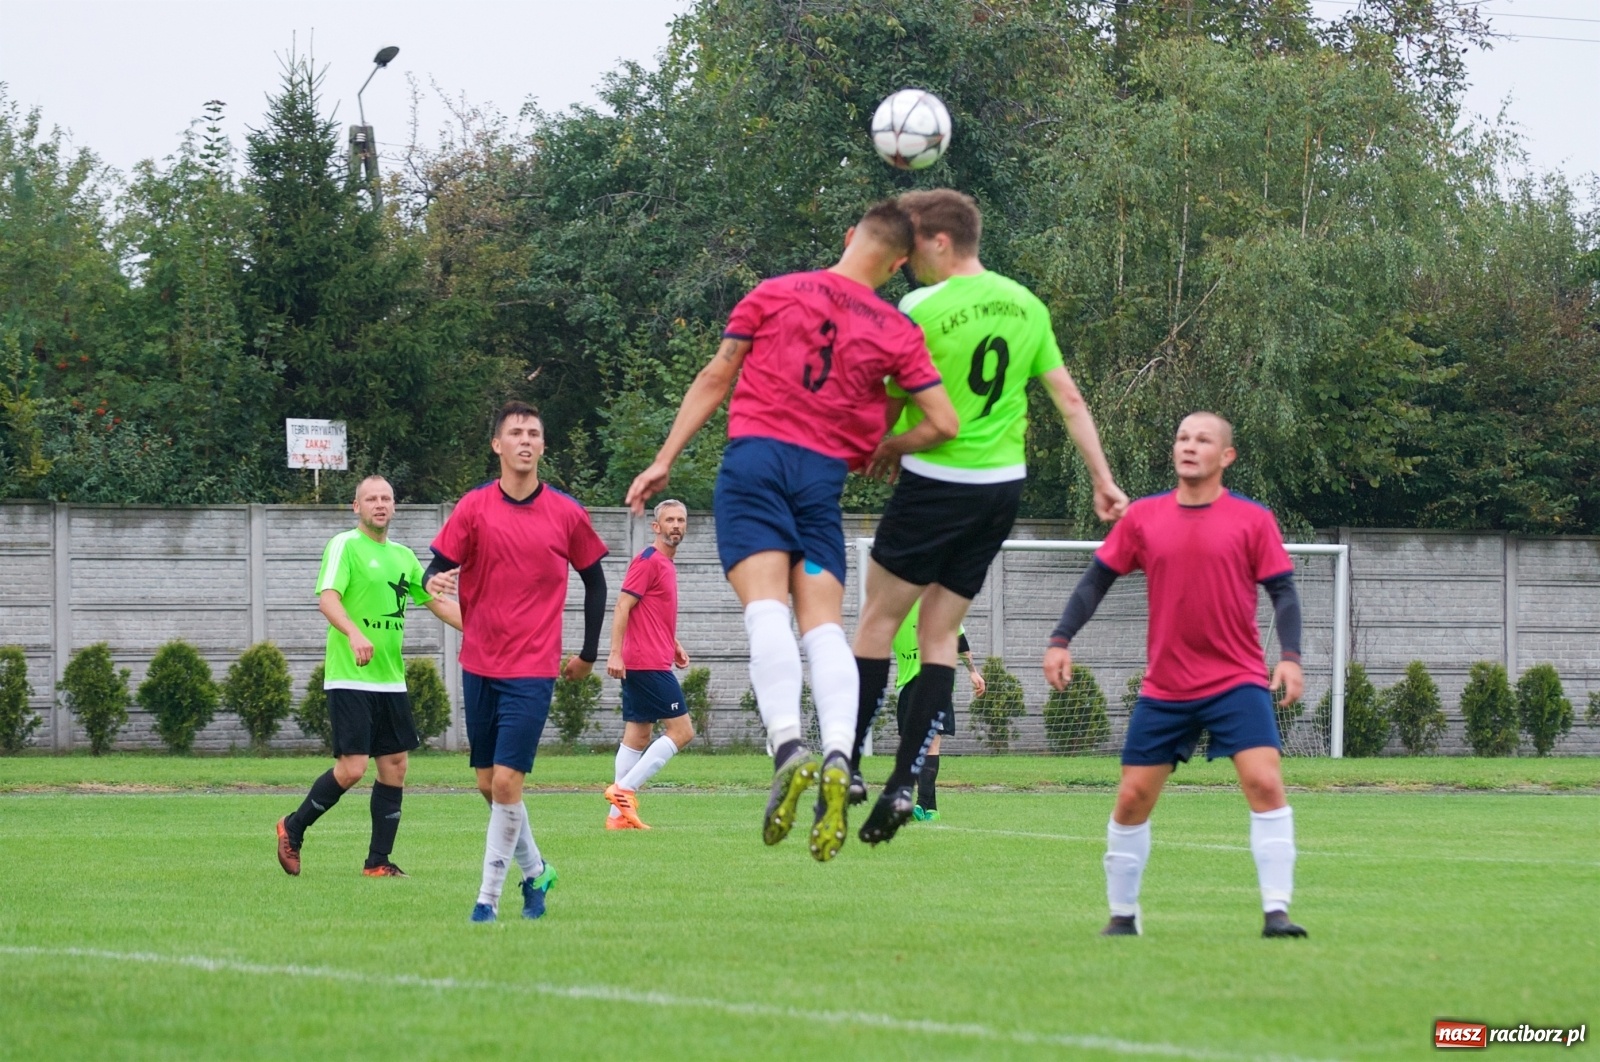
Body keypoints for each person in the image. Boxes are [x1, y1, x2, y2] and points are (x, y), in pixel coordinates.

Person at [625, 200, 959, 862]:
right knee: (825, 627)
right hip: (820, 479)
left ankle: (788, 747)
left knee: (765, 612)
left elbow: (716, 376)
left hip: (756, 463)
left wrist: (664, 459)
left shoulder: (774, 293)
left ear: (848, 237)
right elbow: (944, 422)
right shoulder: (896, 328)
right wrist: (885, 448)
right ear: (897, 265)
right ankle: (840, 750)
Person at [851, 188, 1127, 845]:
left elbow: (891, 395)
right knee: (941, 633)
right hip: (1001, 488)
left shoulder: (919, 306)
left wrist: (876, 448)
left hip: (935, 480)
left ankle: (851, 760)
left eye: (915, 243)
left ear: (941, 241)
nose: (909, 256)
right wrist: (1103, 477)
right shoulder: (1027, 304)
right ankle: (901, 786)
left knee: (879, 620)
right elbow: (1068, 396)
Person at [1043, 412, 1308, 939]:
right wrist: (1060, 640)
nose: (1189, 446)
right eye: (1182, 437)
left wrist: (1291, 656)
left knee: (1265, 782)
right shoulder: (1142, 517)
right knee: (1131, 798)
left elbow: (1283, 591)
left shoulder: (1253, 519)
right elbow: (1095, 581)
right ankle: (1123, 917)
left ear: (1225, 456)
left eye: (1203, 439)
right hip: (1166, 688)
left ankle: (1276, 911)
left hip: (1237, 680)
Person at [424, 402, 609, 923]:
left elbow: (595, 580)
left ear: (542, 446)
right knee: (487, 784)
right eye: (515, 433)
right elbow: (434, 568)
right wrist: (431, 580)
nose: (525, 440)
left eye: (534, 433)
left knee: (507, 783)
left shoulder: (567, 513)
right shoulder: (474, 507)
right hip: (479, 661)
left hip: (533, 666)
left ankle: (487, 900)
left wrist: (589, 653)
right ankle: (537, 870)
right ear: (497, 446)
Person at [276, 475, 462, 878]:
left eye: (386, 498)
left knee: (395, 766)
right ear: (355, 507)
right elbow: (328, 599)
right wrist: (354, 632)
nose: (380, 504)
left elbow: (439, 604)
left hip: (390, 679)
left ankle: (378, 862)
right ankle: (293, 827)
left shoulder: (404, 557)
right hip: (351, 676)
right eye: (371, 498)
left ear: (395, 506)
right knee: (353, 768)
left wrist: (490, 631)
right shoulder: (345, 545)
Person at [604, 499, 694, 830]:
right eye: (669, 520)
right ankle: (624, 790)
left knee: (638, 735)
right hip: (645, 663)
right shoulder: (648, 561)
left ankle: (617, 819)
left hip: (654, 657)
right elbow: (622, 606)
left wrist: (673, 644)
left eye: (681, 520)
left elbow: (653, 613)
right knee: (682, 731)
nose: (676, 525)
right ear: (656, 527)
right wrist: (615, 653)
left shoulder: (666, 565)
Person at [884, 600, 984, 821]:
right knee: (929, 745)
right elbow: (961, 643)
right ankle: (926, 806)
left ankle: (926, 807)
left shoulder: (894, 609)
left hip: (911, 687)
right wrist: (973, 672)